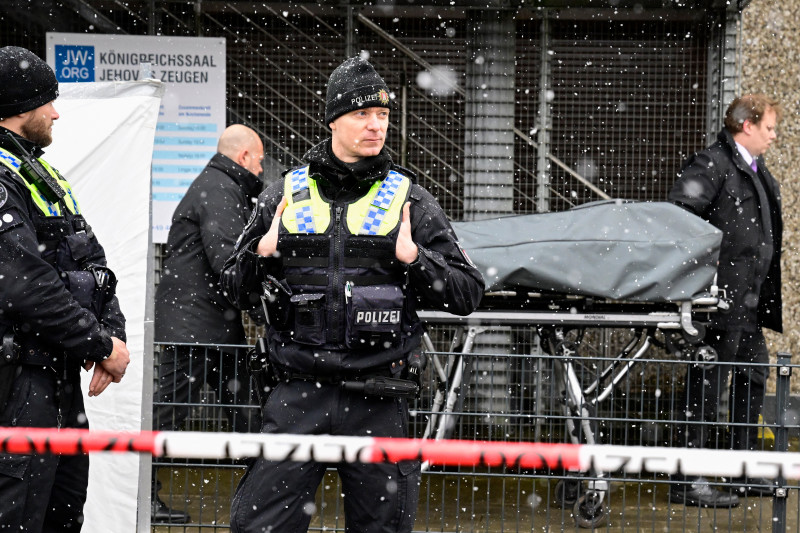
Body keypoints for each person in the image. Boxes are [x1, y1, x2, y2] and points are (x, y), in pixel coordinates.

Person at [220, 55, 485, 533]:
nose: (375, 125)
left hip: (379, 397)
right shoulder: (283, 195)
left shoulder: (409, 199)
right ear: (333, 120)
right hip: (298, 393)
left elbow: (467, 292)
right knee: (256, 526)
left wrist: (414, 260)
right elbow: (230, 287)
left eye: (382, 115)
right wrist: (262, 253)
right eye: (362, 114)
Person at [0, 46, 131, 530]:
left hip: (55, 379)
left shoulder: (42, 174)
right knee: (19, 515)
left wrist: (110, 337)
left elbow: (92, 261)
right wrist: (98, 344)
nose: (56, 112)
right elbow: (23, 284)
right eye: (47, 102)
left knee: (63, 511)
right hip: (17, 383)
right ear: (18, 109)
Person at [668, 94, 783, 507]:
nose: (774, 136)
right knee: (706, 385)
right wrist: (705, 282)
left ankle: (744, 472)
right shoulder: (713, 164)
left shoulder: (753, 169)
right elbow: (680, 218)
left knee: (752, 380)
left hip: (748, 303)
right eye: (769, 127)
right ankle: (687, 479)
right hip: (717, 303)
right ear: (746, 126)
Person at [152, 124, 265, 523]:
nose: (262, 169)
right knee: (173, 411)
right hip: (199, 326)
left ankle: (262, 496)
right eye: (260, 161)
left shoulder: (216, 185)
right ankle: (140, 495)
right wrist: (263, 306)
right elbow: (229, 259)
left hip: (205, 323)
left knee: (245, 411)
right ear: (244, 157)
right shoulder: (219, 190)